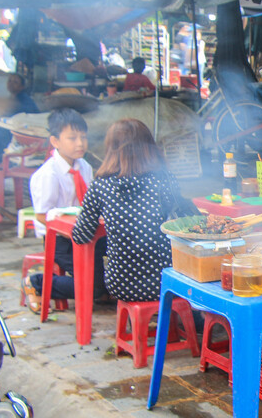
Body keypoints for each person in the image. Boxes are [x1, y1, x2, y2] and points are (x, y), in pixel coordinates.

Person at [71, 119, 188, 301]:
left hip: (122, 285)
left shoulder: (100, 185)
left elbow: (81, 236)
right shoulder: (163, 178)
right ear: (149, 146)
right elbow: (182, 222)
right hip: (168, 281)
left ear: (111, 149)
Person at [24, 109, 107, 311]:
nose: (80, 143)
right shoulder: (48, 174)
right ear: (55, 141)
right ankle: (36, 283)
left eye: (83, 137)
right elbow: (42, 216)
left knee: (124, 252)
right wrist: (72, 228)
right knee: (94, 289)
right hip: (61, 239)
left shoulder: (84, 166)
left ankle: (107, 287)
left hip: (85, 234)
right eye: (72, 138)